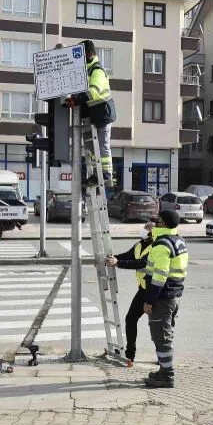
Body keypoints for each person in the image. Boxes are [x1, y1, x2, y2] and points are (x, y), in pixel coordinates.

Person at [142, 210, 188, 389]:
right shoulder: (178, 240)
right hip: (173, 296)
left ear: (163, 223)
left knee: (161, 337)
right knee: (165, 335)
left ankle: (167, 376)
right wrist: (152, 230)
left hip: (162, 298)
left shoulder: (161, 245)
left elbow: (160, 276)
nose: (155, 222)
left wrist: (149, 301)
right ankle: (163, 371)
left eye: (158, 220)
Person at [64, 39, 115, 187]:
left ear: (90, 54)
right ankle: (95, 175)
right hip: (94, 114)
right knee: (92, 148)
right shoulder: (86, 70)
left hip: (103, 113)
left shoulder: (97, 70)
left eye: (82, 55)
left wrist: (76, 100)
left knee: (102, 145)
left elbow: (94, 91)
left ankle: (106, 175)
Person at [104, 222, 154, 367]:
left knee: (157, 324)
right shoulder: (139, 245)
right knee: (131, 318)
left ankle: (163, 357)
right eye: (144, 228)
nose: (143, 230)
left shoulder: (155, 246)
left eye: (146, 229)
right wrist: (111, 260)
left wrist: (118, 263)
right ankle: (130, 354)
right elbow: (128, 256)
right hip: (144, 289)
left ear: (152, 232)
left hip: (156, 290)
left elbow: (141, 263)